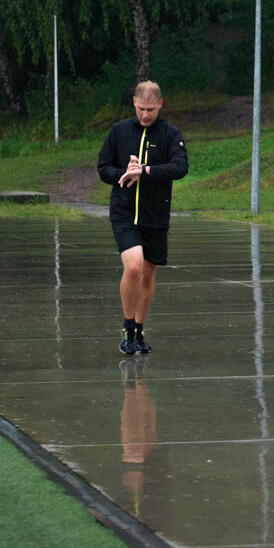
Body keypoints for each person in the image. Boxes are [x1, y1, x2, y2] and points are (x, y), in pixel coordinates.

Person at [97, 80, 188, 356]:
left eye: (150, 109)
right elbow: (103, 168)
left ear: (160, 104)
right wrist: (123, 174)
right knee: (134, 267)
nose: (145, 115)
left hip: (155, 215)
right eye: (141, 109)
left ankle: (138, 328)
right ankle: (126, 327)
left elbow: (180, 167)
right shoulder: (119, 131)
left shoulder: (171, 134)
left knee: (147, 276)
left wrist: (145, 171)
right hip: (124, 213)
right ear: (134, 103)